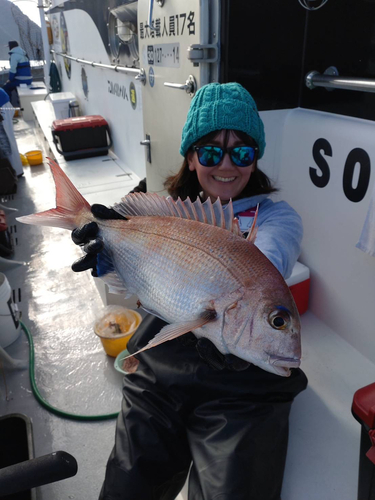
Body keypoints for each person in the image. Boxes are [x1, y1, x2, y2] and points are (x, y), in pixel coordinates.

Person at [72, 82, 308, 500]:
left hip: (242, 388)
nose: (227, 165)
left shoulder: (276, 217)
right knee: (126, 488)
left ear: (256, 160)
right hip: (161, 369)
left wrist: (241, 287)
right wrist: (107, 253)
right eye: (211, 151)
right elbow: (147, 291)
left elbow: (264, 263)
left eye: (243, 151)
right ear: (191, 156)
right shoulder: (167, 211)